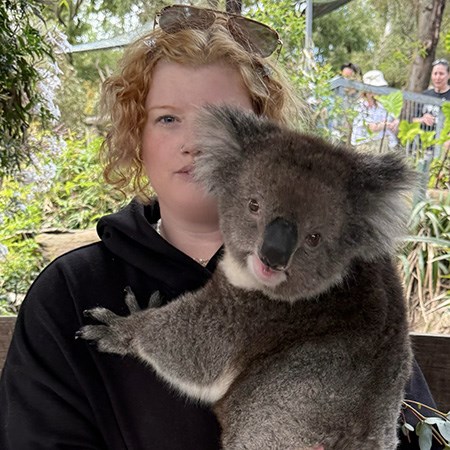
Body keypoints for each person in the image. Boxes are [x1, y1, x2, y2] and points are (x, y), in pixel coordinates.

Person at [0, 4, 441, 450]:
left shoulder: (346, 274)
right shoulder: (72, 293)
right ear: (136, 133)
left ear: (266, 138)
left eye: (219, 117)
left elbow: (408, 422)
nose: (194, 144)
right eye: (167, 118)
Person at [351, 69, 399, 152]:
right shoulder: (360, 106)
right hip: (367, 146)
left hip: (384, 144)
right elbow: (373, 128)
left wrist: (395, 123)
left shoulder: (382, 104)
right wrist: (385, 125)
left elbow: (394, 118)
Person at [413, 58, 450, 153]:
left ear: (448, 75)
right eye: (435, 73)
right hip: (422, 146)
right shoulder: (425, 95)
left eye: (441, 74)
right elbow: (412, 119)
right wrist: (422, 119)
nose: (437, 77)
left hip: (444, 147)